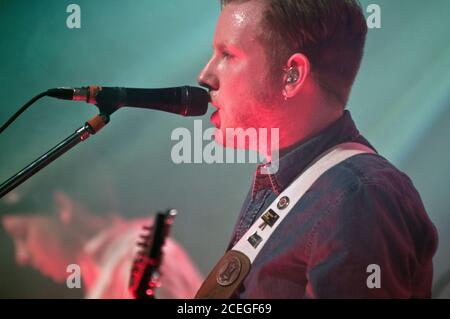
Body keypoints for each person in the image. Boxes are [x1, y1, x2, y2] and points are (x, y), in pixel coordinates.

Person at [196, 0, 438, 298]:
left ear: (293, 75)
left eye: (228, 55)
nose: (205, 76)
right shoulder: (290, 182)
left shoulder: (360, 195)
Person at [2, 191, 203, 298]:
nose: (21, 256)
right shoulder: (97, 277)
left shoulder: (133, 259)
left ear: (60, 207)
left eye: (23, 235)